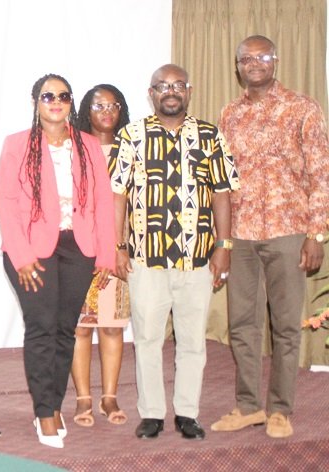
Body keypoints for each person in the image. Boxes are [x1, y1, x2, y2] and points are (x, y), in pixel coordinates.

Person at [110, 64, 239, 441]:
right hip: (145, 258)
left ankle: (187, 412)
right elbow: (117, 193)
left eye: (177, 85)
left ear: (189, 90)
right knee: (148, 338)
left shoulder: (209, 136)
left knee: (192, 340)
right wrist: (118, 245)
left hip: (196, 257)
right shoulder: (131, 135)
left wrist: (224, 246)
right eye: (162, 86)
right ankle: (151, 413)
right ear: (151, 93)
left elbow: (222, 192)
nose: (170, 91)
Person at [211, 35, 329, 439]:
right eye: (247, 58)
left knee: (285, 325)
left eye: (262, 56)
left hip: (288, 230)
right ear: (237, 65)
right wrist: (220, 239)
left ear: (275, 61)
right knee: (242, 324)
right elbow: (221, 181)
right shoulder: (229, 114)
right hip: (240, 234)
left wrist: (316, 233)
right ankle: (248, 406)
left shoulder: (302, 107)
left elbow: (321, 172)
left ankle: (280, 408)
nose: (255, 63)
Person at [0, 74, 115, 449]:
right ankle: (44, 411)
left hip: (79, 248)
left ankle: (53, 402)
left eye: (63, 96)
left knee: (66, 329)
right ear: (36, 101)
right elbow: (7, 203)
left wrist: (107, 255)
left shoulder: (88, 145)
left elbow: (102, 202)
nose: (56, 101)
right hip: (33, 251)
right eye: (48, 95)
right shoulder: (18, 145)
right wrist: (21, 256)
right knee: (42, 328)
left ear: (70, 103)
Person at [70, 84, 132, 428]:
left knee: (111, 326)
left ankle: (109, 397)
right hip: (80, 252)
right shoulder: (74, 149)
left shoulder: (131, 149)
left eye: (113, 105)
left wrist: (119, 246)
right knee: (80, 328)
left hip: (118, 252)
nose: (107, 112)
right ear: (86, 111)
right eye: (99, 105)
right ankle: (83, 398)